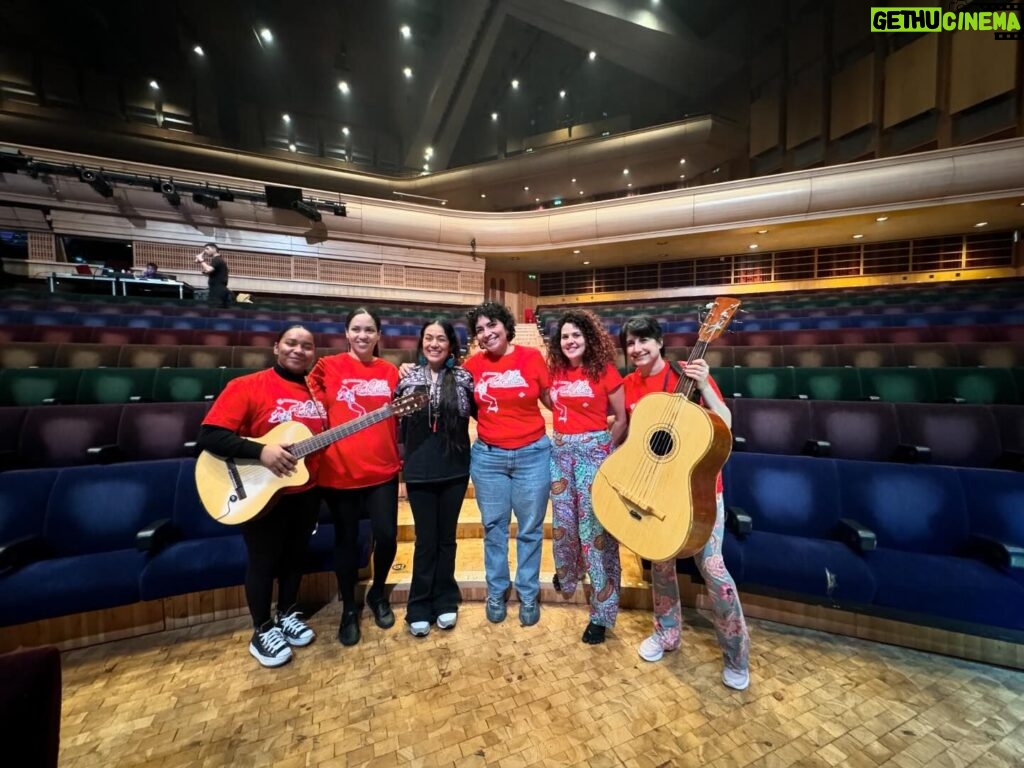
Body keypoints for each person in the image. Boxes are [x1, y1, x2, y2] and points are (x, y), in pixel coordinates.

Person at [618, 315, 751, 691]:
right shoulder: (629, 385)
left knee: (713, 569)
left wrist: (706, 383)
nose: (636, 348)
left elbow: (724, 421)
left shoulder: (690, 375)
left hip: (699, 492)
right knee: (659, 566)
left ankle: (736, 655)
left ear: (660, 342)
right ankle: (667, 633)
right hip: (657, 488)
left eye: (644, 340)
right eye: (630, 342)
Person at [196, 325, 323, 668]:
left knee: (296, 557)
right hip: (260, 489)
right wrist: (260, 451)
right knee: (264, 561)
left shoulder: (316, 392)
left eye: (307, 346)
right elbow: (210, 436)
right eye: (292, 343)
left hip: (304, 489)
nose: (299, 350)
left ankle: (287, 614)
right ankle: (262, 628)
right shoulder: (247, 386)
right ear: (276, 347)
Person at [309, 307, 400, 647]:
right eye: (356, 329)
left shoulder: (390, 371)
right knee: (346, 543)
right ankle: (349, 607)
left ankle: (377, 594)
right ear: (346, 333)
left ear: (379, 335)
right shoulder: (327, 366)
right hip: (340, 470)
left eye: (370, 330)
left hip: (383, 469)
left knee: (388, 537)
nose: (363, 336)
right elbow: (308, 396)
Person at [463, 301, 551, 626]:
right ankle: (496, 590)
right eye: (480, 330)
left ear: (505, 324)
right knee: (493, 529)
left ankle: (528, 594)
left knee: (529, 530)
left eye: (492, 326)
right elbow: (470, 407)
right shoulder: (472, 367)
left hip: (533, 454)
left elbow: (551, 400)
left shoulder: (531, 358)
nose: (487, 334)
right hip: (489, 457)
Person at [546, 310, 627, 644]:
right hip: (560, 452)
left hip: (593, 454)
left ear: (589, 338)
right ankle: (568, 574)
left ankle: (602, 613)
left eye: (576, 335)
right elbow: (550, 403)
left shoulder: (605, 371)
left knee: (594, 533)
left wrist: (602, 449)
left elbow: (621, 418)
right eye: (565, 336)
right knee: (563, 525)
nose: (570, 341)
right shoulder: (556, 372)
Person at [394, 319, 475, 637]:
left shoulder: (465, 378)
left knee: (446, 540)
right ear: (421, 343)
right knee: (426, 541)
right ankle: (419, 605)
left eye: (441, 339)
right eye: (429, 338)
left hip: (454, 469)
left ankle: (446, 601)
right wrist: (401, 471)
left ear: (451, 345)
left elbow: (486, 414)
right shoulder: (406, 378)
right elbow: (397, 428)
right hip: (419, 471)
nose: (434, 344)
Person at [195, 242, 229, 307]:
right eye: (204, 249)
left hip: (218, 290)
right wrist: (201, 256)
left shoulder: (217, 259)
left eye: (207, 249)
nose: (205, 251)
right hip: (217, 290)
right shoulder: (217, 259)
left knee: (215, 310)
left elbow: (208, 269)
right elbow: (208, 270)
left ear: (214, 249)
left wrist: (201, 260)